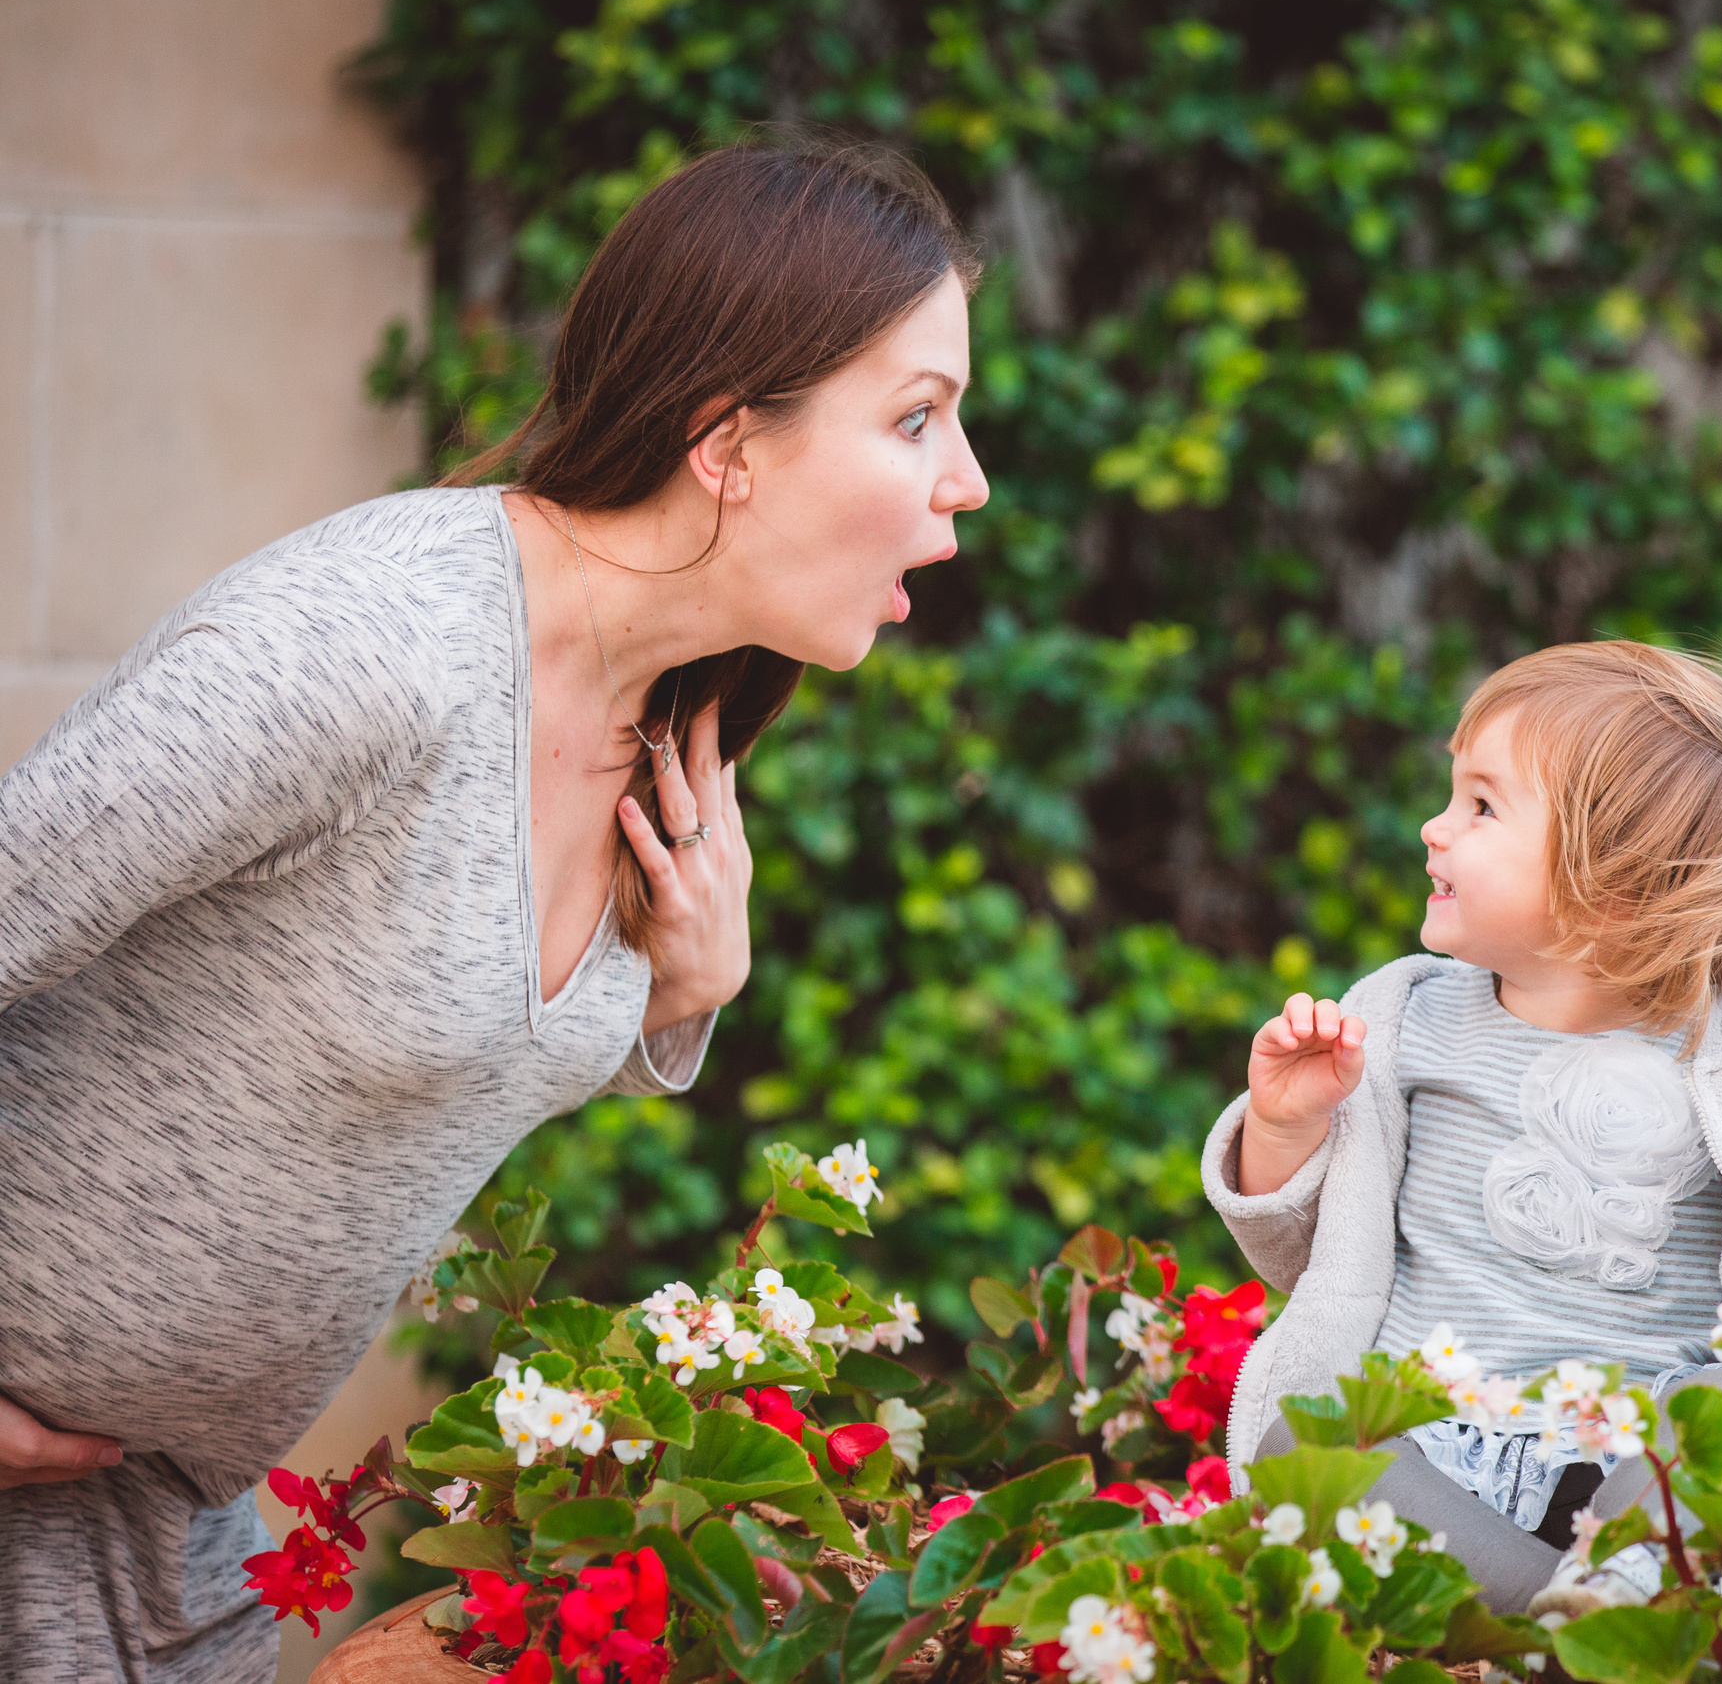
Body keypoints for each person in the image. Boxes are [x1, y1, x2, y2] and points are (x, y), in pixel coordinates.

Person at [0, 140, 988, 1681]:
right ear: (729, 440)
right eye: (917, 415)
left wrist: (676, 1001)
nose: (966, 479)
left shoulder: (670, 723)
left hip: (147, 1534)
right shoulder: (368, 643)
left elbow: (410, 1028)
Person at [1200, 640, 1722, 1615]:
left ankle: (1615, 1585)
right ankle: (1580, 1626)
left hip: (1644, 1471)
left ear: (1615, 879)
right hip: (1434, 1462)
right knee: (1302, 1447)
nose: (1434, 827)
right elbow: (1297, 1255)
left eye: (1482, 806)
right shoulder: (1400, 1022)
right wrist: (1283, 1126)